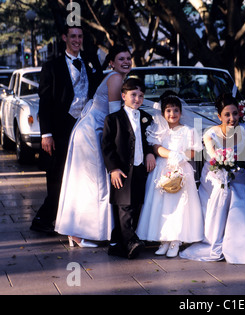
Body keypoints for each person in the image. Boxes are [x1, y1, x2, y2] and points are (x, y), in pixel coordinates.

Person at [55, 45, 133, 247]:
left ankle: (81, 231)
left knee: (91, 181)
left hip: (94, 129)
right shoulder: (116, 78)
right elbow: (117, 114)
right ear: (112, 63)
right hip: (92, 132)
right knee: (92, 182)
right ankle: (79, 233)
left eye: (128, 58)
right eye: (121, 59)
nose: (126, 62)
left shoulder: (118, 78)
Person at [180, 93, 245, 264]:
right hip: (214, 176)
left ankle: (240, 245)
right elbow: (214, 158)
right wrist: (225, 175)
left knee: (239, 191)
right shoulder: (211, 134)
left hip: (237, 174)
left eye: (235, 113)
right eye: (227, 114)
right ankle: (215, 239)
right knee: (224, 192)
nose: (232, 118)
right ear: (219, 116)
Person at [31, 25, 103, 234]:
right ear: (64, 37)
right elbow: (44, 102)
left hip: (84, 128)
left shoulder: (91, 62)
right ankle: (44, 218)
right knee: (57, 175)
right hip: (60, 129)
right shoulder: (52, 66)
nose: (77, 40)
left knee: (81, 175)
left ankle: (72, 219)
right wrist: (46, 134)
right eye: (73, 36)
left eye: (80, 36)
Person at [136, 95, 203, 258]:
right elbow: (156, 147)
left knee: (179, 206)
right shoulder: (159, 129)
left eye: (175, 110)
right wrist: (171, 154)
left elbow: (195, 150)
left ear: (181, 112)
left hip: (181, 170)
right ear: (163, 113)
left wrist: (182, 156)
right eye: (168, 110)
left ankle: (176, 240)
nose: (172, 113)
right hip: (162, 169)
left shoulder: (188, 130)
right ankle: (163, 240)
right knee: (162, 206)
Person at [101, 78, 156, 259]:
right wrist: (113, 169)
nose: (137, 99)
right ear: (123, 96)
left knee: (137, 205)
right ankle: (131, 242)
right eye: (133, 95)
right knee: (124, 207)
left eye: (141, 95)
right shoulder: (113, 119)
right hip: (122, 169)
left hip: (140, 168)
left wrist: (149, 153)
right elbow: (107, 146)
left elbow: (151, 140)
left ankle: (117, 244)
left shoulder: (147, 118)